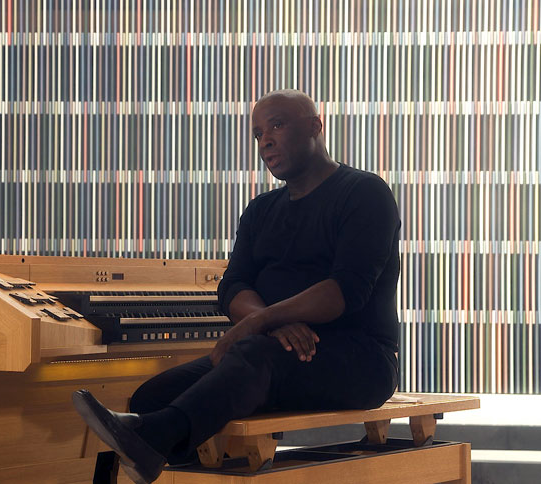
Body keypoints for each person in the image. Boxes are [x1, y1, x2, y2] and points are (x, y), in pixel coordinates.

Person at [72, 89, 401, 484]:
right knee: (152, 397)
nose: (265, 140)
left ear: (316, 126)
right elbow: (232, 286)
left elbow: (343, 291)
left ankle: (152, 442)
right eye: (258, 133)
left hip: (359, 359)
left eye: (276, 125)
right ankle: (157, 445)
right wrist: (268, 323)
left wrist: (254, 325)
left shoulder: (364, 192)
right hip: (272, 347)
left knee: (252, 357)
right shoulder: (261, 210)